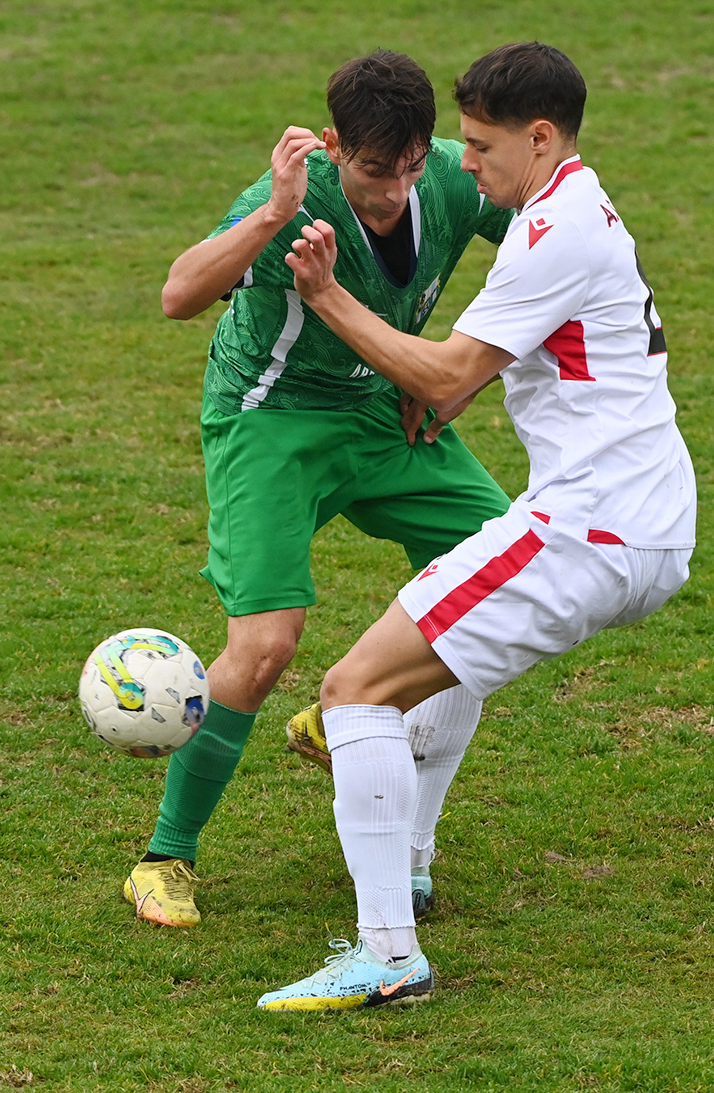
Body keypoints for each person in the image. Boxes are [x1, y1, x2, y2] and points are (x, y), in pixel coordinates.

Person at [256, 41, 696, 1010]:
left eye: (482, 146)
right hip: (640, 522)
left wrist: (327, 295)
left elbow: (452, 370)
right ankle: (405, 864)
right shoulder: (569, 206)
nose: (467, 165)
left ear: (541, 138)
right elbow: (502, 367)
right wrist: (446, 394)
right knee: (448, 659)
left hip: (590, 525)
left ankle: (387, 954)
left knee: (354, 688)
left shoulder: (553, 233)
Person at [123, 50, 516, 927]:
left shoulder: (452, 180)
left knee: (509, 576)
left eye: (411, 165)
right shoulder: (300, 198)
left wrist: (451, 379)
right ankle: (165, 858)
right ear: (335, 147)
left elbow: (552, 265)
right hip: (270, 422)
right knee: (264, 647)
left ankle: (347, 712)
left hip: (382, 412)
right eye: (375, 171)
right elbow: (179, 296)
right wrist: (273, 212)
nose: (392, 190)